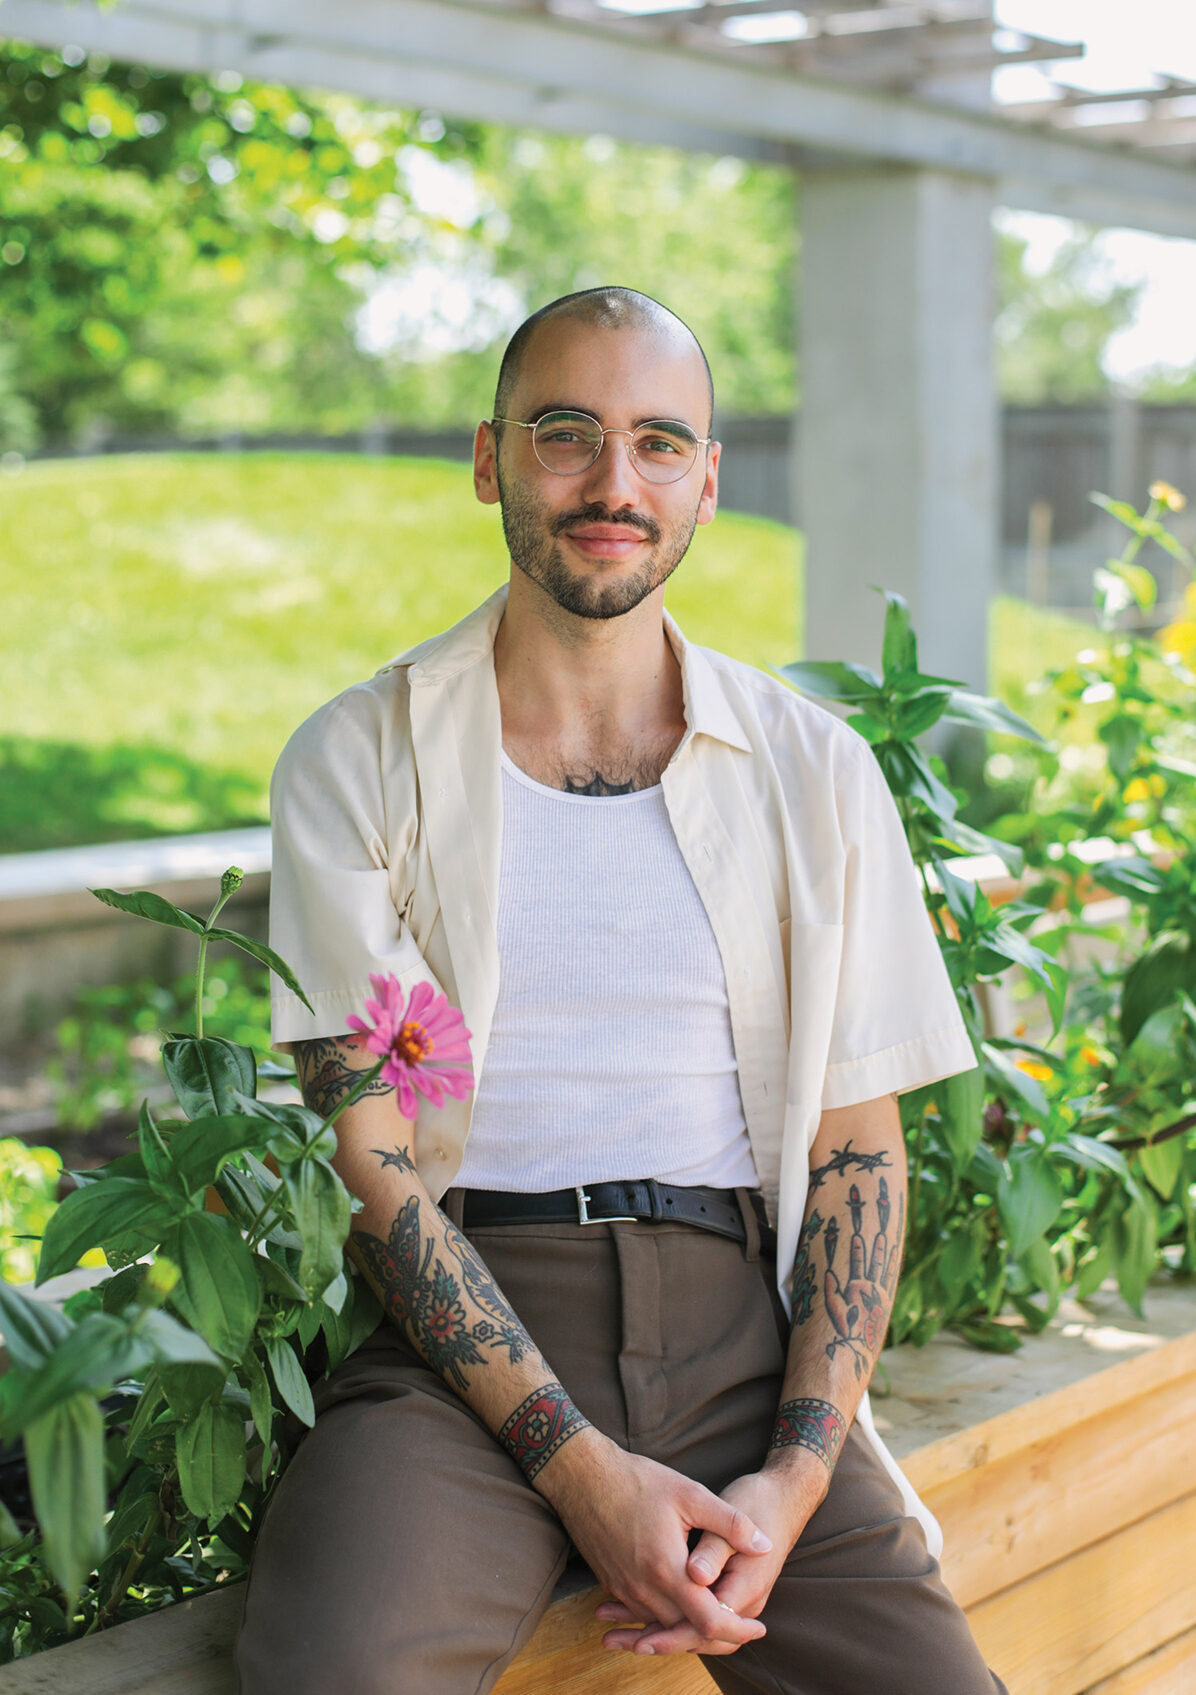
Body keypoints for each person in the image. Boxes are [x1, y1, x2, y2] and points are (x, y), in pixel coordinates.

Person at [235, 287, 1008, 1695]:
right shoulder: (362, 760)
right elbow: (379, 1165)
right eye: (565, 434)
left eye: (659, 444)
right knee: (330, 1671)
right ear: (489, 461)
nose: (612, 483)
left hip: (742, 1343)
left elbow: (854, 1157)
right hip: (460, 1349)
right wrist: (581, 1470)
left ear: (708, 483)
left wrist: (792, 1474)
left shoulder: (814, 772)